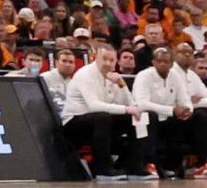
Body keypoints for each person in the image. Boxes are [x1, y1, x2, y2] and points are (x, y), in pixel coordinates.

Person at [134, 44, 207, 178]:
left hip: (170, 118)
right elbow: (142, 104)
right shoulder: (143, 76)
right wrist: (172, 110)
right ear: (153, 62)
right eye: (159, 61)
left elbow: (185, 99)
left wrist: (188, 110)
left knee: (200, 116)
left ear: (171, 63)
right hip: (150, 118)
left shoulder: (175, 75)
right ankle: (150, 165)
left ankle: (200, 165)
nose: (162, 64)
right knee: (150, 116)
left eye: (166, 61)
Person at [62, 41, 146, 178]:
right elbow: (93, 106)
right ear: (96, 58)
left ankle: (135, 167)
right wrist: (126, 109)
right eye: (104, 59)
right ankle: (102, 170)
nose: (107, 63)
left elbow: (132, 105)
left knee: (138, 118)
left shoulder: (113, 76)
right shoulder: (85, 74)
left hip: (100, 122)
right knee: (103, 117)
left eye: (111, 60)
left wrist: (122, 85)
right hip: (74, 123)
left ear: (116, 62)